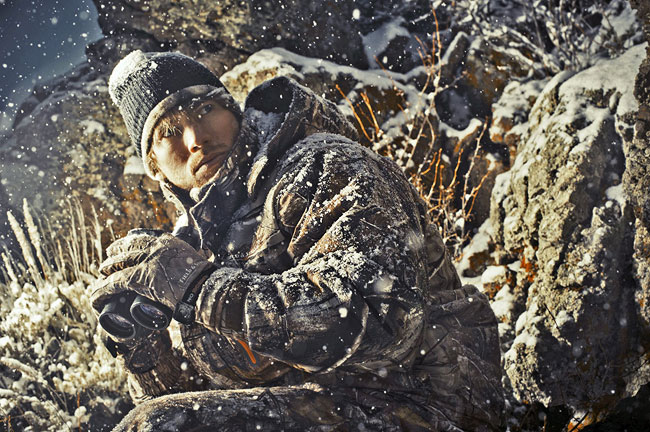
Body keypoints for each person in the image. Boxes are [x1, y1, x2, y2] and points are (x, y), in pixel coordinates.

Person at [91, 50, 504, 432]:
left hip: (425, 405)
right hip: (325, 411)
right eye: (168, 132)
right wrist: (141, 348)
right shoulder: (190, 248)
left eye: (204, 109)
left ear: (232, 111)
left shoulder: (323, 165)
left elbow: (379, 317)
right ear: (155, 170)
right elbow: (200, 398)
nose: (195, 137)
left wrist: (199, 289)